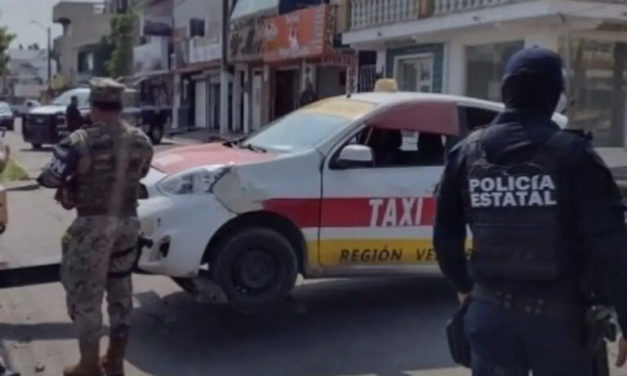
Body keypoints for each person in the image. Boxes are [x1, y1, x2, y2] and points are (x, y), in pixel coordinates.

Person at [434, 47, 627, 375]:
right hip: (562, 328)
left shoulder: (465, 154)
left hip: (490, 318)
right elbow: (612, 248)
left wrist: (466, 289)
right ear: (554, 97)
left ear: (506, 91)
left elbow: (444, 237)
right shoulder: (576, 156)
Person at [38, 78, 153, 376]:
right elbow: (140, 173)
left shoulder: (80, 140)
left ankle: (89, 365)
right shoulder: (141, 139)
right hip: (128, 223)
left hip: (93, 228)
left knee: (85, 294)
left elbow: (50, 177)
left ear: (92, 106)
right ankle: (114, 360)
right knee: (120, 289)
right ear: (120, 106)